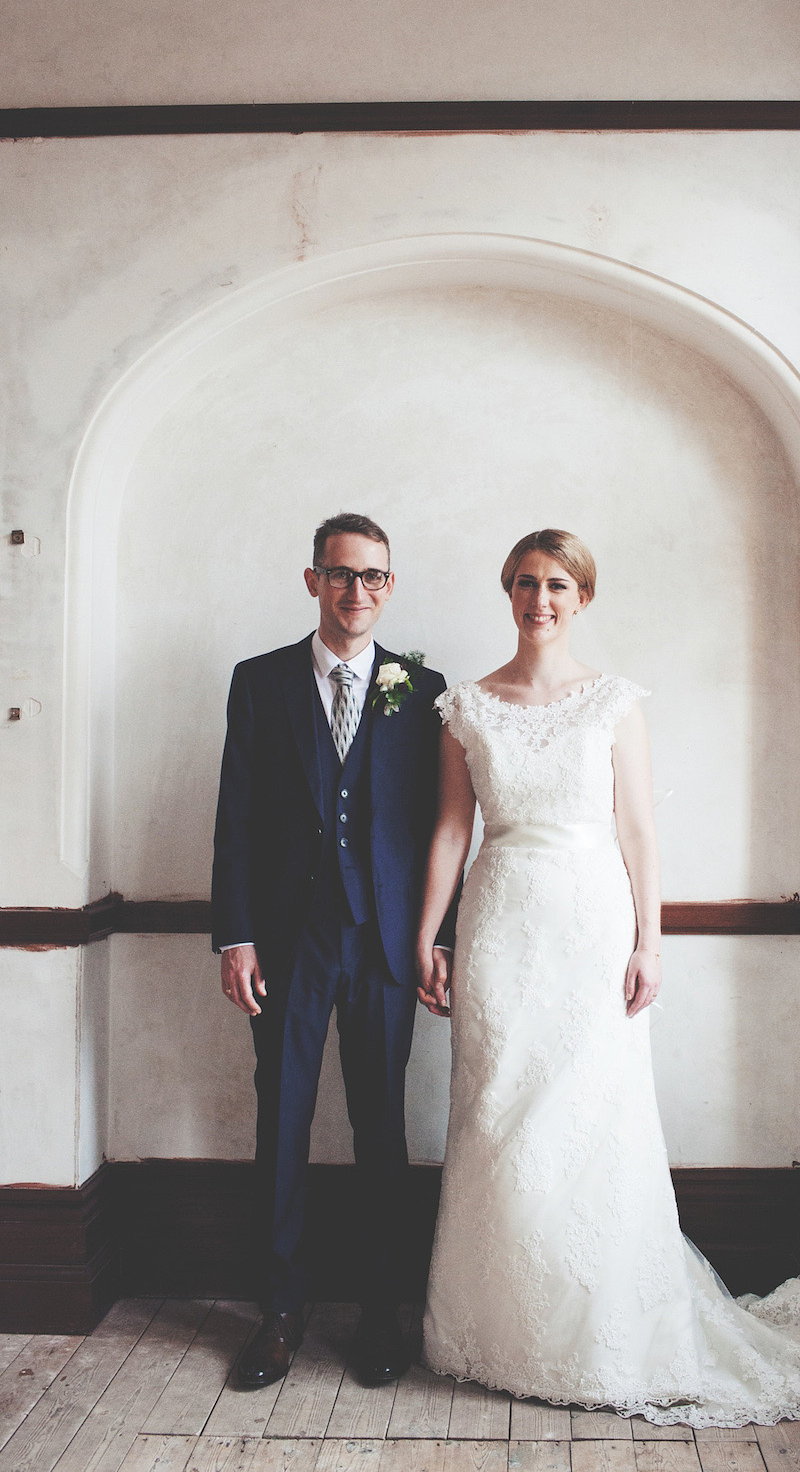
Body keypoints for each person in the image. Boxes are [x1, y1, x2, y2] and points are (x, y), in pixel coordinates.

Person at [415, 527, 800, 1426]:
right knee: (498, 1117)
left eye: (558, 585)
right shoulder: (467, 707)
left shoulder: (613, 703)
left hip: (590, 924)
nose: (541, 599)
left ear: (583, 598)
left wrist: (651, 941)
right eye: (526, 583)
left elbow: (639, 831)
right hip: (500, 921)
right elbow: (453, 830)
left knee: (594, 1123)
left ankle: (606, 1331)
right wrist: (428, 934)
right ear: (508, 591)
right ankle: (502, 1331)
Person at [213, 511, 455, 1391]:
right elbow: (235, 815)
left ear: (391, 586)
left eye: (375, 577)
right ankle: (280, 1310)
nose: (359, 592)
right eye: (343, 574)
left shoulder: (422, 688)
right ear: (312, 579)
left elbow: (443, 826)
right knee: (280, 1120)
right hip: (286, 941)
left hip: (386, 941)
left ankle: (381, 1309)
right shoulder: (259, 682)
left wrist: (440, 938)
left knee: (380, 1126)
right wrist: (235, 935)